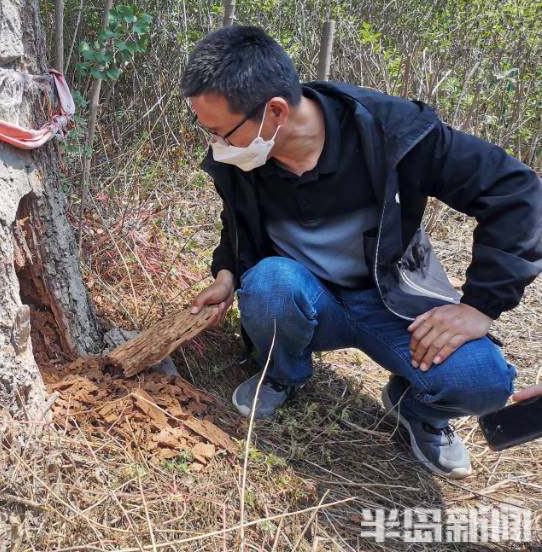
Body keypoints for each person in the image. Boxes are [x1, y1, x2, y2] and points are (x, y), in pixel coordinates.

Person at [184, 26, 542, 479]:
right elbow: (238, 224)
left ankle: (418, 409)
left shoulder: (394, 132)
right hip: (306, 296)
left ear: (274, 111)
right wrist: (227, 272)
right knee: (270, 281)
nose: (216, 144)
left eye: (222, 132)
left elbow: (517, 193)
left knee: (484, 381)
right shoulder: (245, 159)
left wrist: (480, 305)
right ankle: (283, 373)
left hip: (393, 302)